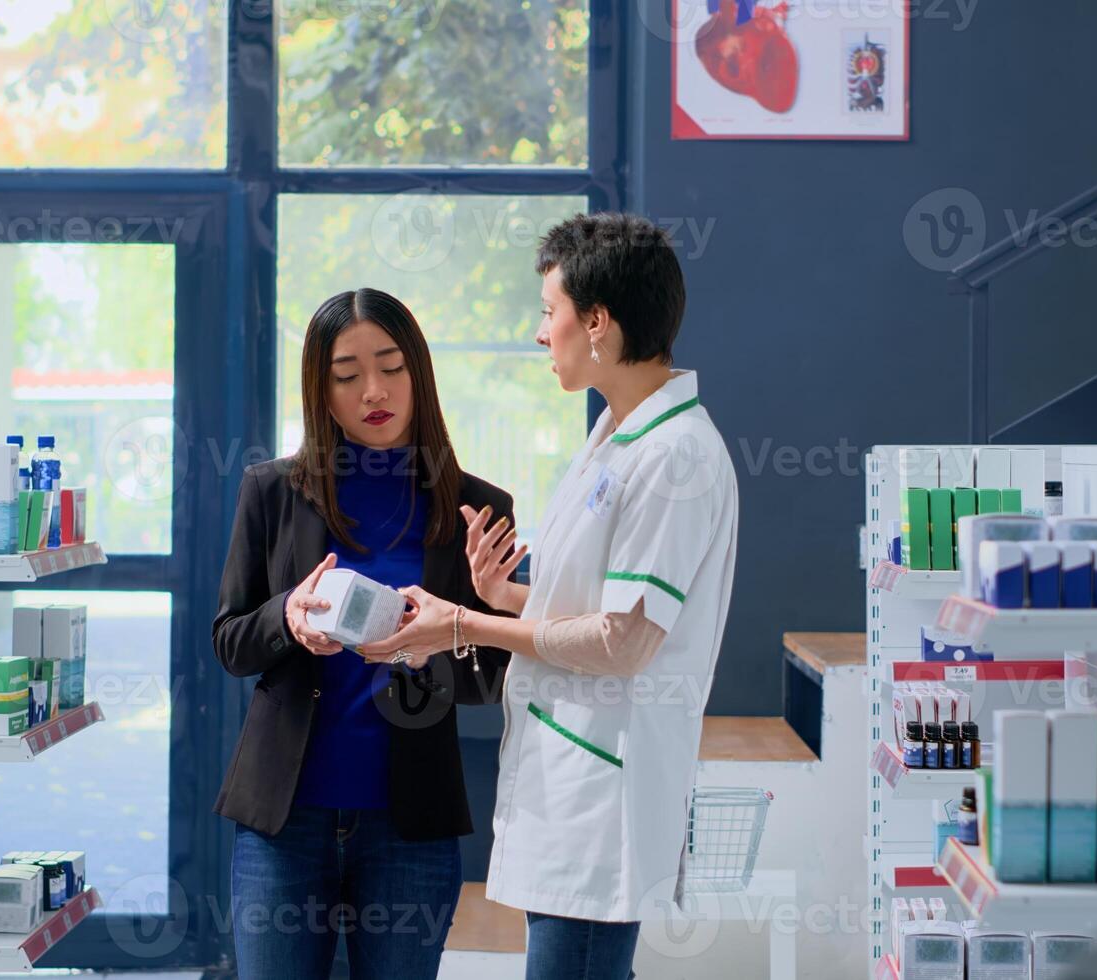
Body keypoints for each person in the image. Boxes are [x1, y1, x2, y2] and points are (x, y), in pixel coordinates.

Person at [362, 213, 740, 980]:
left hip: (604, 798)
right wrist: (508, 594)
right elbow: (599, 609)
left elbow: (624, 642)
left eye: (548, 311)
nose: (541, 334)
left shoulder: (675, 458)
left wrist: (464, 623)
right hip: (572, 785)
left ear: (596, 322)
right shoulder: (618, 434)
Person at [211, 287, 514, 979]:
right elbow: (230, 641)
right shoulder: (272, 492)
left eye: (391, 366)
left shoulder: (480, 508)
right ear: (321, 391)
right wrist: (287, 616)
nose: (373, 390)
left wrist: (427, 641)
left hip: (409, 826)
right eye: (346, 375)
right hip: (284, 823)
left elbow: (492, 674)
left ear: (420, 373)